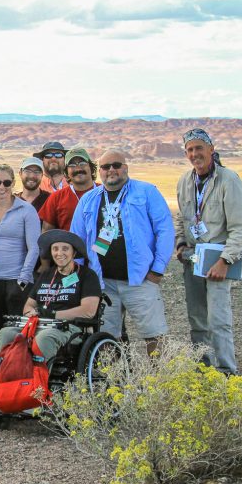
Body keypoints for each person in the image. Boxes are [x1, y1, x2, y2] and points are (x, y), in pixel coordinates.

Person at [69, 150, 174, 354]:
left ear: (125, 168)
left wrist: (157, 271)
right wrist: (81, 278)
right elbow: (77, 240)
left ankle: (161, 380)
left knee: (154, 334)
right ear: (98, 171)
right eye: (106, 167)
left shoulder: (146, 192)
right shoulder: (89, 200)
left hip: (140, 279)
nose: (111, 170)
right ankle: (116, 380)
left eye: (116, 165)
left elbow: (165, 230)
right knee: (107, 336)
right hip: (103, 282)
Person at [173, 128, 242, 374]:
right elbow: (180, 218)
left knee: (218, 320)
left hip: (218, 260)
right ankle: (204, 370)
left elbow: (239, 229)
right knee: (197, 319)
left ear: (211, 149)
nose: (195, 154)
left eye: (199, 148)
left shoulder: (229, 180)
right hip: (192, 259)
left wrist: (225, 261)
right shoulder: (185, 181)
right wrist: (180, 245)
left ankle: (227, 371)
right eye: (190, 150)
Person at [0, 230, 103, 372]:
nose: (60, 253)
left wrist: (52, 314)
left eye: (65, 249)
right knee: (6, 333)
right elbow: (28, 306)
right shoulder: (46, 274)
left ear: (74, 253)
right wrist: (31, 312)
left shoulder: (87, 275)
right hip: (38, 324)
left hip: (70, 328)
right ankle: (6, 381)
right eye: (55, 249)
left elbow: (88, 312)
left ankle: (36, 385)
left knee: (45, 337)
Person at [0, 164, 41, 340]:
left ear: (13, 183)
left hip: (17, 279)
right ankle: (0, 364)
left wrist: (24, 278)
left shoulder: (26, 210)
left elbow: (34, 247)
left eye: (6, 182)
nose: (1, 187)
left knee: (17, 331)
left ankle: (18, 365)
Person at [38, 147, 98, 232]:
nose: (78, 168)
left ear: (91, 168)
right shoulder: (56, 198)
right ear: (66, 173)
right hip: (68, 245)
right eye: (72, 165)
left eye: (82, 163)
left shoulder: (105, 193)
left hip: (101, 245)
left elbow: (113, 228)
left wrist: (98, 246)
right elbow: (46, 233)